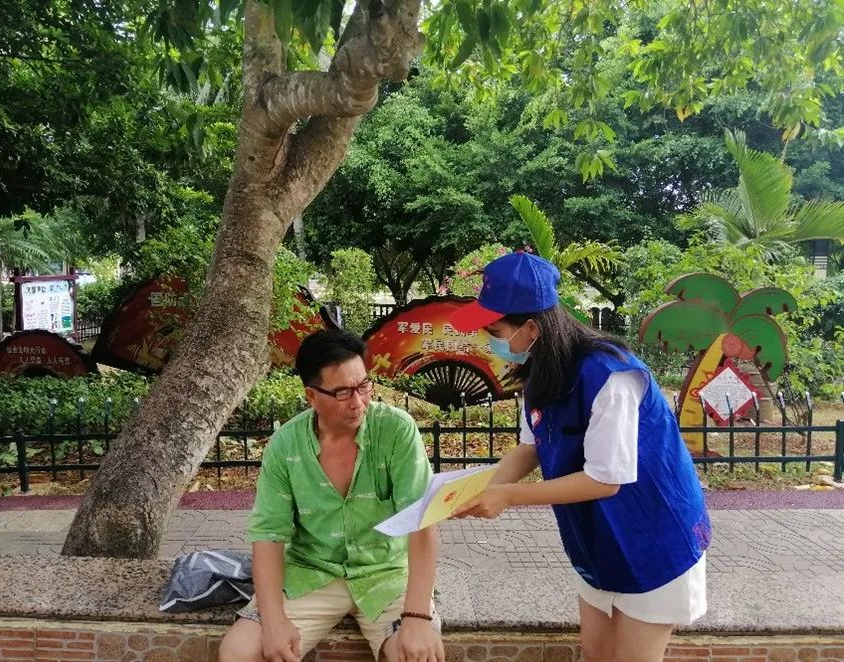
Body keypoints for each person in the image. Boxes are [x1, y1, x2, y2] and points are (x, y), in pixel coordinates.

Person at [448, 252, 711, 662]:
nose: (489, 341)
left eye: (494, 330)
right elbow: (531, 447)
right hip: (598, 537)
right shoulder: (540, 371)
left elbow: (605, 479)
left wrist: (508, 496)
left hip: (654, 535)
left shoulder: (610, 376)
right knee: (595, 652)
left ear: (532, 327)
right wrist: (479, 488)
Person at [219, 329, 444, 662]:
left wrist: (417, 616)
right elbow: (268, 534)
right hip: (311, 572)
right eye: (342, 392)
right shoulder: (286, 445)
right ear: (312, 396)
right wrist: (274, 620)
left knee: (415, 654)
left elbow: (422, 521)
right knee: (239, 651)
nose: (358, 402)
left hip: (386, 573)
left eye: (363, 386)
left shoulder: (396, 430)